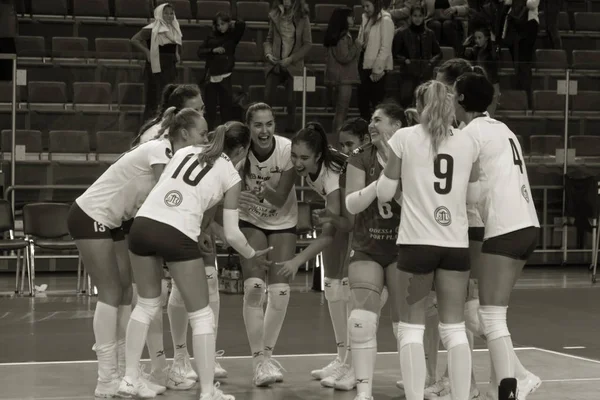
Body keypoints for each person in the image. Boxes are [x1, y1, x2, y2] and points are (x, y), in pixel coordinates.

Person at [119, 120, 270, 400]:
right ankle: (208, 391)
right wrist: (251, 254)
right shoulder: (231, 175)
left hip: (142, 226)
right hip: (176, 232)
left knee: (147, 305)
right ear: (242, 150)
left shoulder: (184, 151)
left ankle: (129, 379)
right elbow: (234, 234)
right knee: (201, 316)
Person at [66, 107, 208, 398]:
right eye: (203, 134)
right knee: (110, 293)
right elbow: (164, 195)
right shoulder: (161, 149)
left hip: (116, 221)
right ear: (184, 133)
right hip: (91, 214)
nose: (206, 141)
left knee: (126, 293)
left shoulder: (176, 156)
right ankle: (106, 378)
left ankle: (122, 375)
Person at [377, 79, 479, 400]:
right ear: (450, 106)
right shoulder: (467, 141)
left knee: (411, 328)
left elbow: (384, 191)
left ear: (418, 108)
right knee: (454, 328)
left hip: (417, 244)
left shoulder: (403, 137)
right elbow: (474, 194)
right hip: (455, 246)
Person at [454, 72, 540, 400]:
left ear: (462, 99)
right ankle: (502, 384)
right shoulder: (502, 128)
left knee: (489, 314)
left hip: (504, 228)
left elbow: (468, 191)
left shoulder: (470, 134)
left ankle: (514, 384)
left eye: (453, 94)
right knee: (489, 313)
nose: (450, 99)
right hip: (527, 224)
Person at [342, 103, 404, 399]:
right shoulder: (359, 157)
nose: (372, 124)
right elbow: (351, 205)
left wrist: (395, 183)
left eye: (378, 120)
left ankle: (418, 381)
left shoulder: (411, 154)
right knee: (361, 321)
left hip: (404, 247)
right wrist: (380, 184)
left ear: (397, 126)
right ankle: (364, 393)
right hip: (367, 246)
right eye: (371, 119)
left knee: (406, 326)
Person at [238, 102, 298, 386]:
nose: (265, 131)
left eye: (269, 124)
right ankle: (257, 361)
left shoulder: (287, 150)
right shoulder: (239, 152)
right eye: (258, 125)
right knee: (254, 288)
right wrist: (239, 196)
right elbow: (231, 192)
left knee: (281, 290)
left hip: (283, 220)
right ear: (249, 126)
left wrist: (263, 190)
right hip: (250, 221)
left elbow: (281, 198)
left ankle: (268, 357)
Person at [287, 122, 352, 383]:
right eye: (294, 156)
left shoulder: (332, 173)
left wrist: (298, 259)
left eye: (304, 157)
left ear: (318, 156)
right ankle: (342, 359)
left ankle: (353, 365)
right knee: (333, 288)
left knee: (347, 293)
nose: (298, 162)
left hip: (360, 223)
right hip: (344, 219)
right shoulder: (315, 170)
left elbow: (331, 230)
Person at [263, 0, 312, 133]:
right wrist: (268, 54)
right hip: (275, 64)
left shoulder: (303, 18)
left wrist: (291, 59)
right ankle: (266, 128)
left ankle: (291, 132)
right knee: (267, 97)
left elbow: (308, 44)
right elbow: (268, 40)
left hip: (294, 65)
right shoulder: (275, 15)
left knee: (292, 100)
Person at [132, 3, 182, 120]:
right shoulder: (151, 28)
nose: (169, 16)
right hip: (156, 65)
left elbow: (172, 45)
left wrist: (176, 53)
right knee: (153, 99)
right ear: (159, 14)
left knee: (169, 97)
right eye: (166, 13)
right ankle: (148, 127)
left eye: (171, 13)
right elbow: (134, 40)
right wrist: (147, 52)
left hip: (170, 66)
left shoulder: (174, 28)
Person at [197, 12, 246, 130]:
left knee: (226, 109)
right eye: (218, 25)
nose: (220, 27)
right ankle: (208, 134)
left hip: (225, 76)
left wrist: (233, 17)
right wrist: (213, 50)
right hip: (211, 76)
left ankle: (226, 134)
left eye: (223, 24)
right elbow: (200, 52)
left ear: (228, 24)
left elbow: (241, 25)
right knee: (210, 109)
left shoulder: (232, 36)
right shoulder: (211, 36)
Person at [392, 4, 442, 108]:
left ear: (424, 16)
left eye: (420, 15)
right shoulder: (402, 33)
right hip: (408, 73)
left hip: (425, 73)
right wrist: (405, 60)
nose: (417, 18)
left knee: (426, 102)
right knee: (406, 101)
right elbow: (395, 53)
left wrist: (430, 63)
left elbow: (438, 53)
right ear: (410, 16)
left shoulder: (430, 34)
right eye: (415, 15)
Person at [324, 7, 361, 135]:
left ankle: (337, 136)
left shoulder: (337, 35)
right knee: (342, 111)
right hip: (344, 79)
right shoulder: (343, 37)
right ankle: (337, 138)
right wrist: (357, 45)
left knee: (340, 111)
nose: (353, 19)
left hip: (339, 78)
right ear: (344, 19)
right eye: (350, 16)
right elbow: (344, 57)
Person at [356, 0, 395, 121]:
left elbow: (385, 47)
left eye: (368, 6)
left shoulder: (386, 20)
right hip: (364, 62)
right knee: (362, 101)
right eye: (363, 7)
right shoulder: (365, 18)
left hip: (376, 66)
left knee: (376, 102)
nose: (365, 9)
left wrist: (378, 69)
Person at [133, 84, 205, 146]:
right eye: (195, 110)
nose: (201, 115)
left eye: (202, 109)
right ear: (178, 112)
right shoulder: (156, 136)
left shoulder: (189, 129)